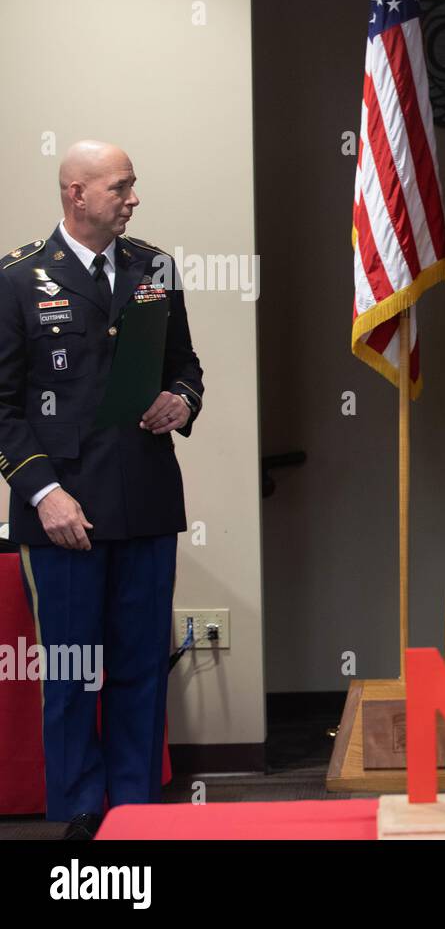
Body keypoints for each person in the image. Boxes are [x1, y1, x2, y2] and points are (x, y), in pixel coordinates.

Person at [0, 140, 204, 837]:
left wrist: (181, 399)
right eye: (121, 187)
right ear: (76, 194)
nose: (134, 198)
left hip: (144, 503)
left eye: (134, 185)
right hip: (63, 514)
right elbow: (3, 405)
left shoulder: (155, 268)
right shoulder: (19, 278)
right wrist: (42, 494)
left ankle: (136, 812)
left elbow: (186, 367)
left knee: (141, 669)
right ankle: (83, 819)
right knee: (69, 677)